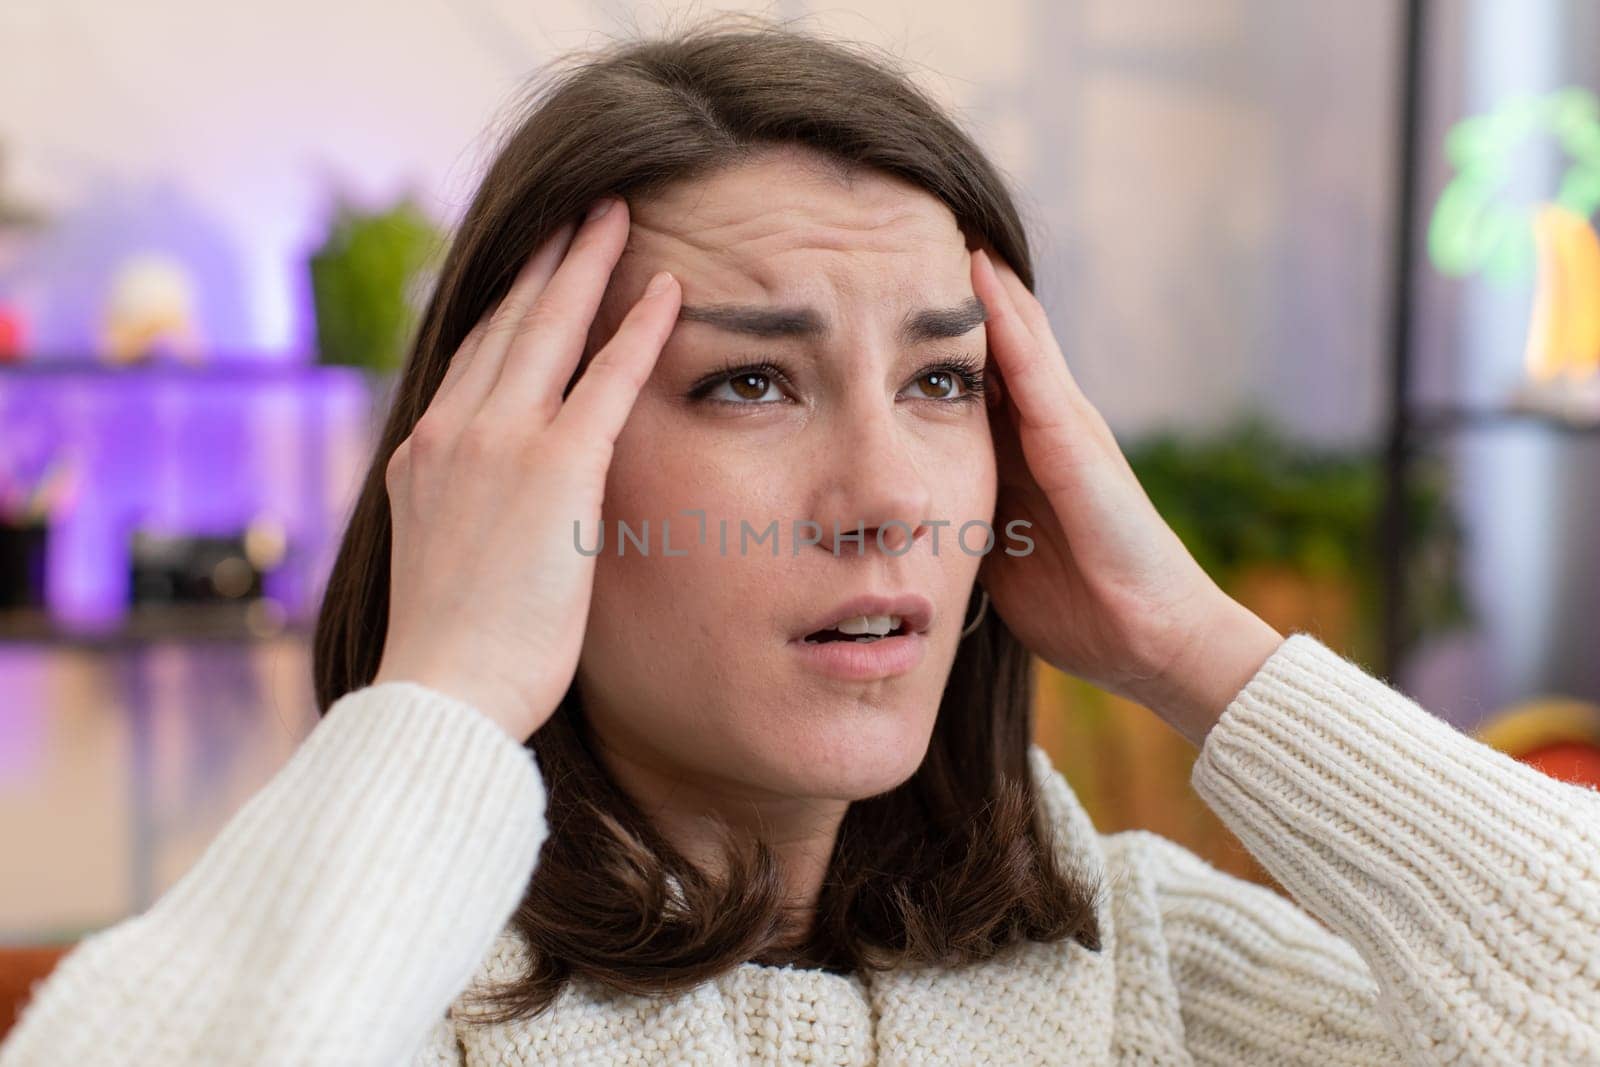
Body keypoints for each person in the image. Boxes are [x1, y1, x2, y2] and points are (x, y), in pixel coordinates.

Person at [5, 17, 1599, 1066]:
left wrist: (1198, 650)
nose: (885, 490)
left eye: (942, 380)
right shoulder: (372, 983)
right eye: (750, 380)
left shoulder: (1134, 972)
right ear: (516, 468)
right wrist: (446, 701)